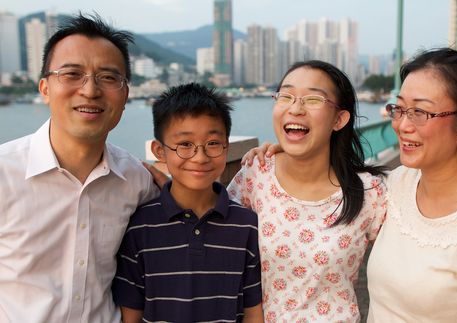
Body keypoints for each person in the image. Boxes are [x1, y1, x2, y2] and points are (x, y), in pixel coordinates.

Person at [0, 13, 158, 323]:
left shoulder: (137, 182)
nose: (90, 90)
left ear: (125, 95)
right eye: (72, 74)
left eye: (108, 77)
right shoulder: (5, 173)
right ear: (45, 88)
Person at [227, 60, 387, 322]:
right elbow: (209, 228)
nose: (296, 108)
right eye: (286, 96)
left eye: (313, 99)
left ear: (339, 119)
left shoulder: (370, 192)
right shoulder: (255, 175)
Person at [366, 48, 457, 322]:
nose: (402, 125)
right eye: (399, 109)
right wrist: (283, 155)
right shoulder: (395, 185)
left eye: (420, 112)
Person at [112, 83, 264, 323]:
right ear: (159, 151)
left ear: (227, 146)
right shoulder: (139, 227)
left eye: (213, 143)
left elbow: (253, 312)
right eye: (185, 145)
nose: (200, 157)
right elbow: (131, 315)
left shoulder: (247, 225)